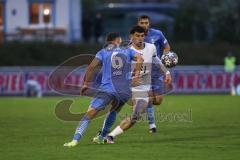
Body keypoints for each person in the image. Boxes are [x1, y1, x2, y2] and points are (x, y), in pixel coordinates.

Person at [93, 26, 172, 144]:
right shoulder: (124, 48)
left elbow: (156, 60)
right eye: (137, 36)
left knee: (136, 115)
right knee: (115, 108)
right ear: (131, 37)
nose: (140, 38)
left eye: (142, 36)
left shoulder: (151, 47)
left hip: (142, 87)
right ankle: (102, 133)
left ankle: (110, 136)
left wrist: (166, 72)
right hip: (126, 85)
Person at [63, 32, 143, 147]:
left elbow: (91, 67)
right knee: (114, 110)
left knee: (89, 114)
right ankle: (101, 137)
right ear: (117, 41)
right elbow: (140, 58)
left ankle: (74, 141)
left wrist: (85, 83)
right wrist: (136, 76)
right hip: (124, 91)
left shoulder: (103, 51)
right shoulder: (128, 50)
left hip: (107, 89)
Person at [137, 15, 171, 133]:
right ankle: (152, 125)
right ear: (138, 23)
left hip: (156, 69)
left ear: (149, 24)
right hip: (143, 70)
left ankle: (144, 103)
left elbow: (166, 46)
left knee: (158, 100)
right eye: (142, 23)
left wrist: (164, 57)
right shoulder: (135, 37)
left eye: (146, 22)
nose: (144, 25)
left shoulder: (158, 34)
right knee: (149, 97)